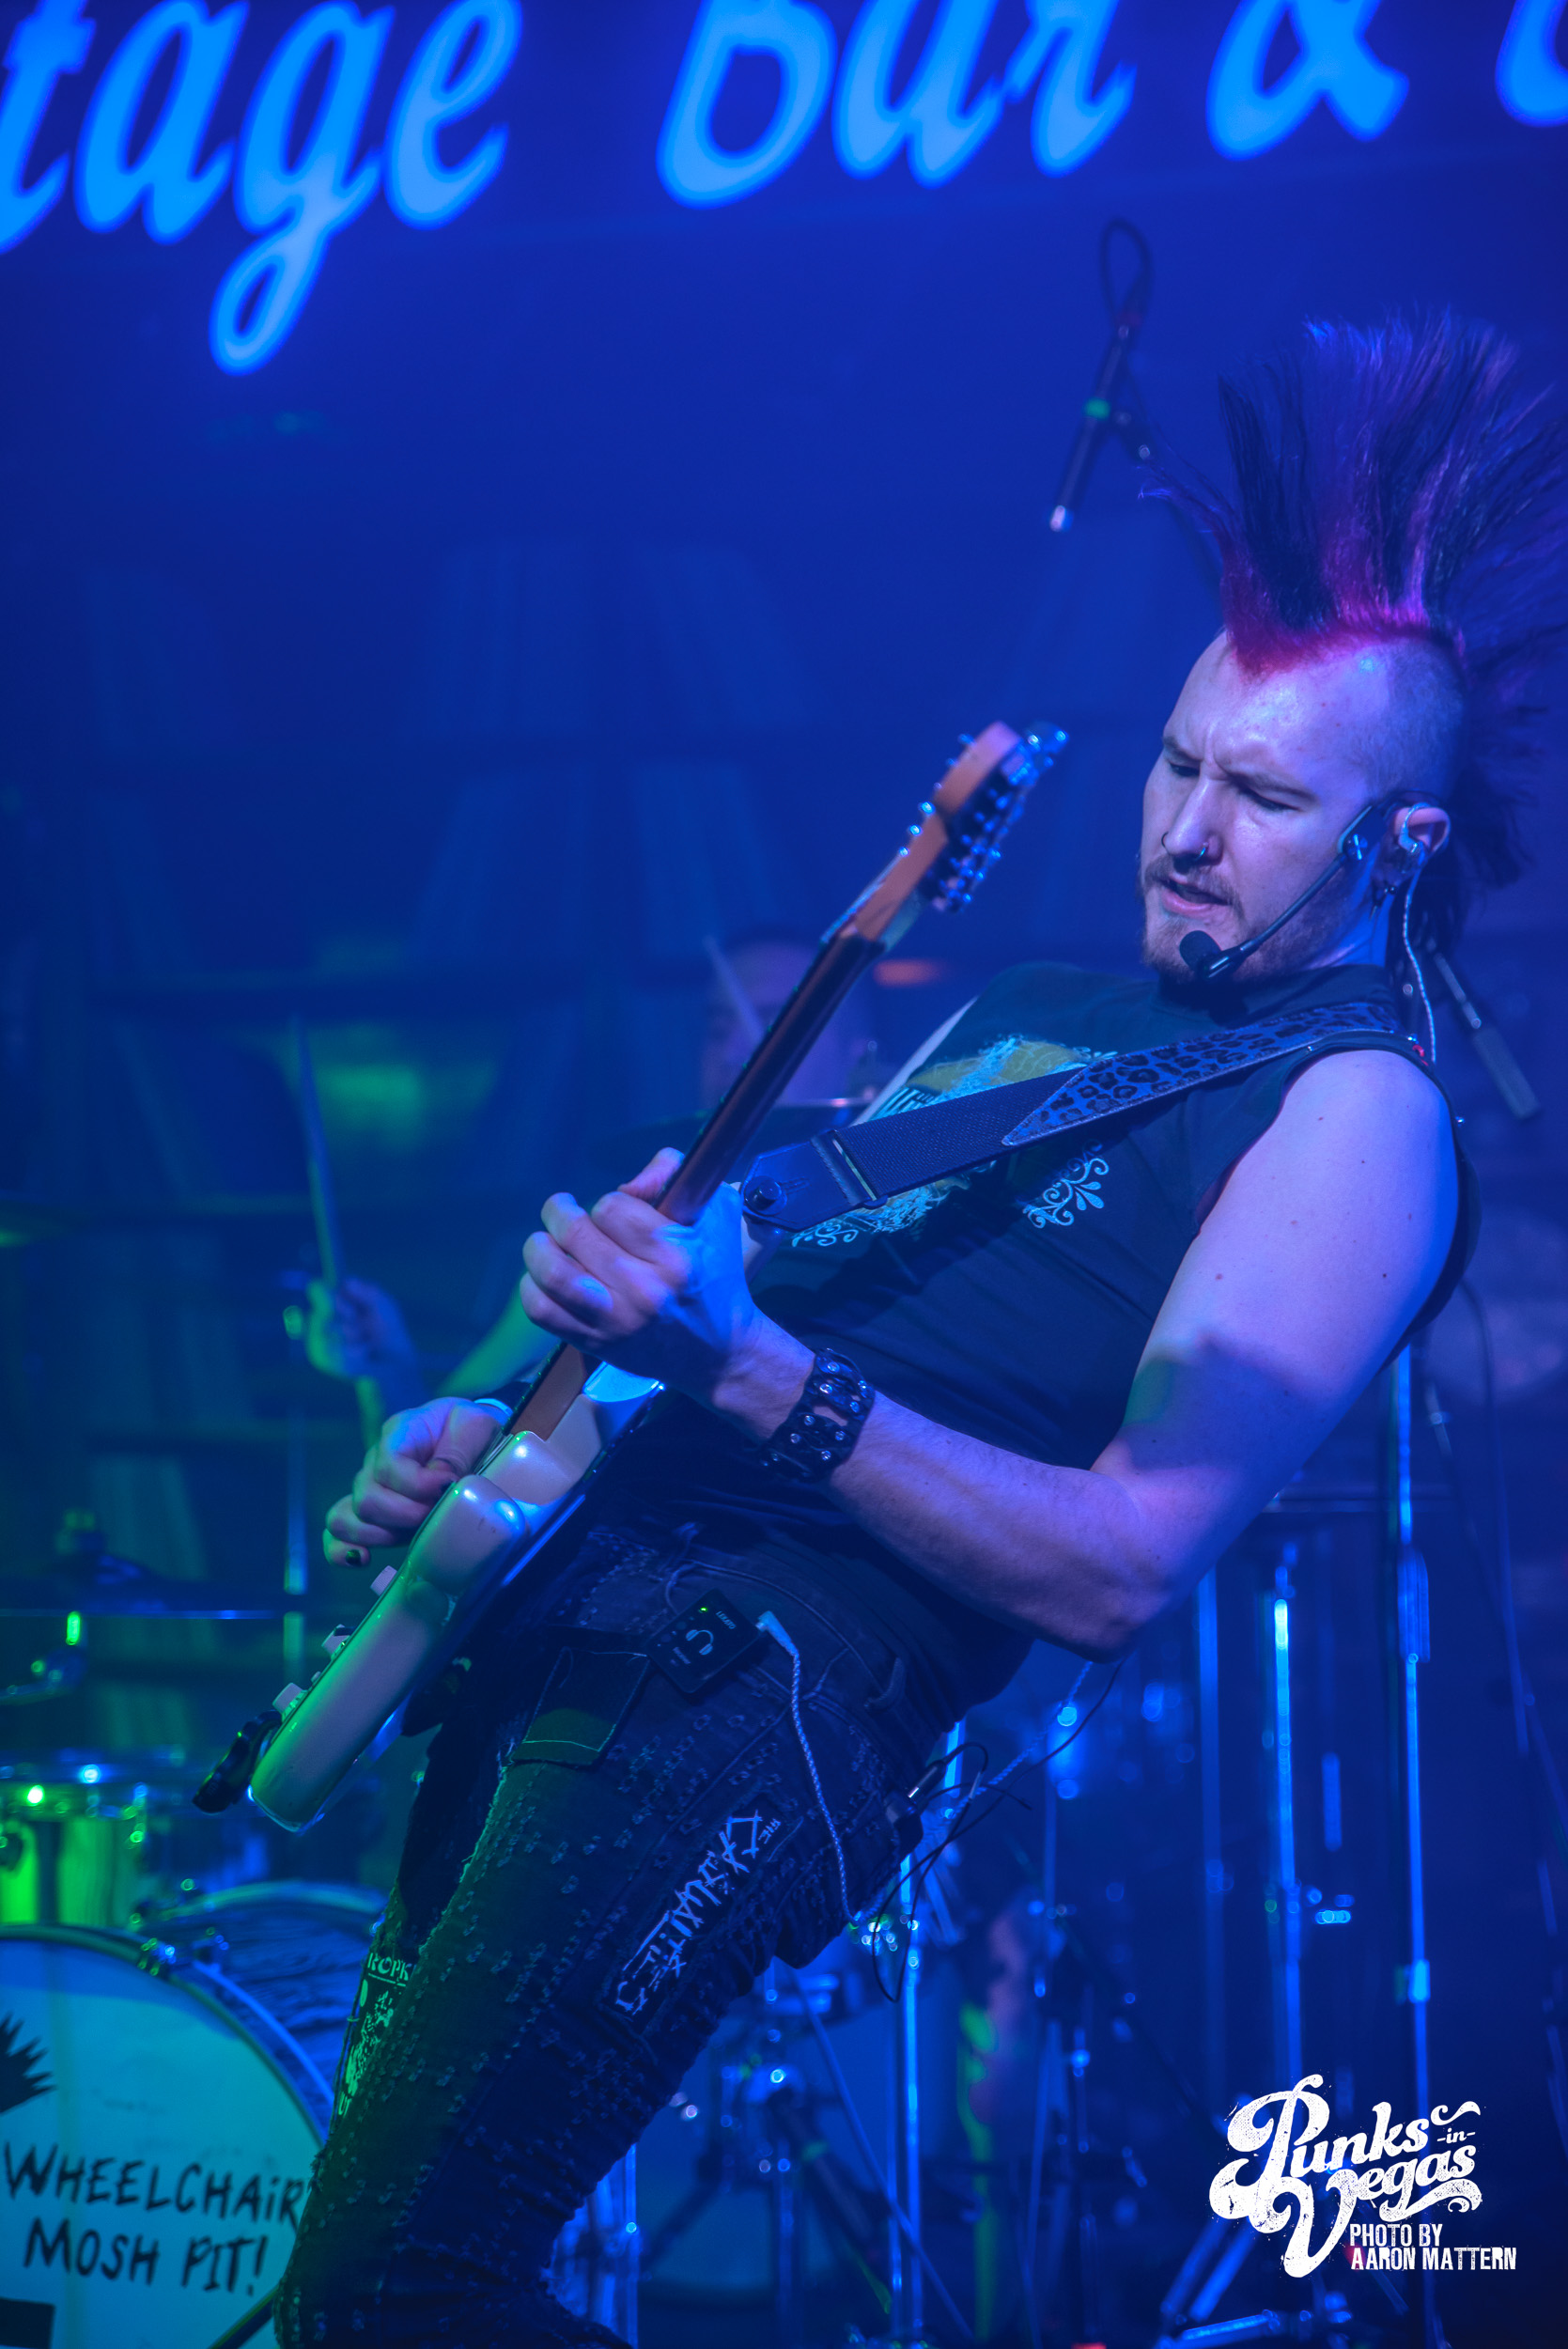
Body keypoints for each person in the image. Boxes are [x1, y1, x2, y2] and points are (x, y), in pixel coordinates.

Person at [276, 319, 1567, 2347]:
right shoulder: (1027, 1015)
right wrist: (506, 1434)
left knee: (397, 2295)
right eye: (1174, 761)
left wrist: (737, 1367)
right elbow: (760, 1307)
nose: (1185, 828)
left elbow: (1122, 1562)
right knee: (357, 2294)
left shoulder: (1357, 1108)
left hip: (748, 1688)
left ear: (1396, 842)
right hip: (574, 1614)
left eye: (1260, 795)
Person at [303, 928, 880, 1410]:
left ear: (862, 1057)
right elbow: (456, 1436)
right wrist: (390, 1372)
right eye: (717, 1027)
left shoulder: (893, 1222)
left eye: (775, 1024)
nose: (734, 1053)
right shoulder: (640, 1225)